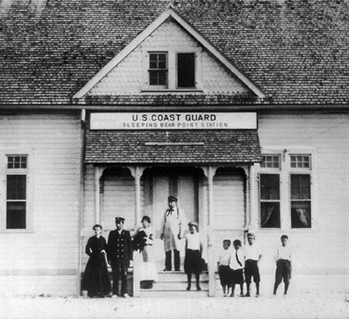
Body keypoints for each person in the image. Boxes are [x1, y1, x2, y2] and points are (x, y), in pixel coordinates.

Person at [82, 224, 111, 298]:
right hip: (93, 260)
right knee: (92, 275)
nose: (96, 231)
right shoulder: (91, 239)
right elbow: (87, 249)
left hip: (101, 260)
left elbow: (106, 248)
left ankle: (101, 292)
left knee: (101, 276)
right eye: (95, 229)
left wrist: (104, 251)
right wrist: (91, 255)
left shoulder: (103, 239)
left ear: (100, 230)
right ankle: (92, 293)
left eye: (97, 229)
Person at [107, 217, 132, 298]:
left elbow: (129, 247)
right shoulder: (112, 233)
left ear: (123, 224)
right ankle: (115, 292)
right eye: (117, 223)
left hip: (124, 258)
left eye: (120, 223)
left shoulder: (127, 233)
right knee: (115, 275)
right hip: (115, 258)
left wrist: (130, 258)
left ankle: (124, 292)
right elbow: (109, 247)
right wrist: (109, 258)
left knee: (124, 275)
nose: (118, 225)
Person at [133, 215, 159, 289]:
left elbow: (152, 241)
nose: (144, 223)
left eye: (146, 221)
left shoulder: (151, 230)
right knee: (142, 265)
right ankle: (143, 282)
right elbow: (135, 237)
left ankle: (149, 282)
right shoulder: (140, 230)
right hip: (142, 249)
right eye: (143, 221)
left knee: (149, 265)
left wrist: (146, 240)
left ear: (148, 222)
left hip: (149, 249)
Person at [160, 196, 184, 271]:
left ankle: (177, 267)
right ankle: (168, 267)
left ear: (175, 202)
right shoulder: (166, 212)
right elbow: (163, 222)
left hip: (175, 234)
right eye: (169, 202)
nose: (170, 203)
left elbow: (182, 223)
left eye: (172, 202)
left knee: (176, 249)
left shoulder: (179, 211)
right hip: (167, 233)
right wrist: (162, 232)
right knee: (167, 250)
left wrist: (181, 233)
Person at [184, 221, 203, 291]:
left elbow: (201, 246)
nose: (191, 228)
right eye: (190, 226)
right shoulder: (187, 235)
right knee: (189, 270)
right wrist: (186, 254)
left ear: (196, 227)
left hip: (196, 253)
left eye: (193, 226)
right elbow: (186, 246)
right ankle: (189, 285)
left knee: (197, 271)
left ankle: (198, 285)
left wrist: (201, 255)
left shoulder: (199, 235)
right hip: (189, 252)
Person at [244, 232, 262, 297]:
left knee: (256, 278)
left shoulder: (257, 246)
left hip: (254, 262)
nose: (250, 240)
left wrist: (257, 262)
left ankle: (257, 292)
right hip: (247, 263)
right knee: (247, 278)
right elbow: (243, 255)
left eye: (251, 238)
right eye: (249, 238)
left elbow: (260, 255)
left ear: (254, 239)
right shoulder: (245, 246)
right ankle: (248, 292)